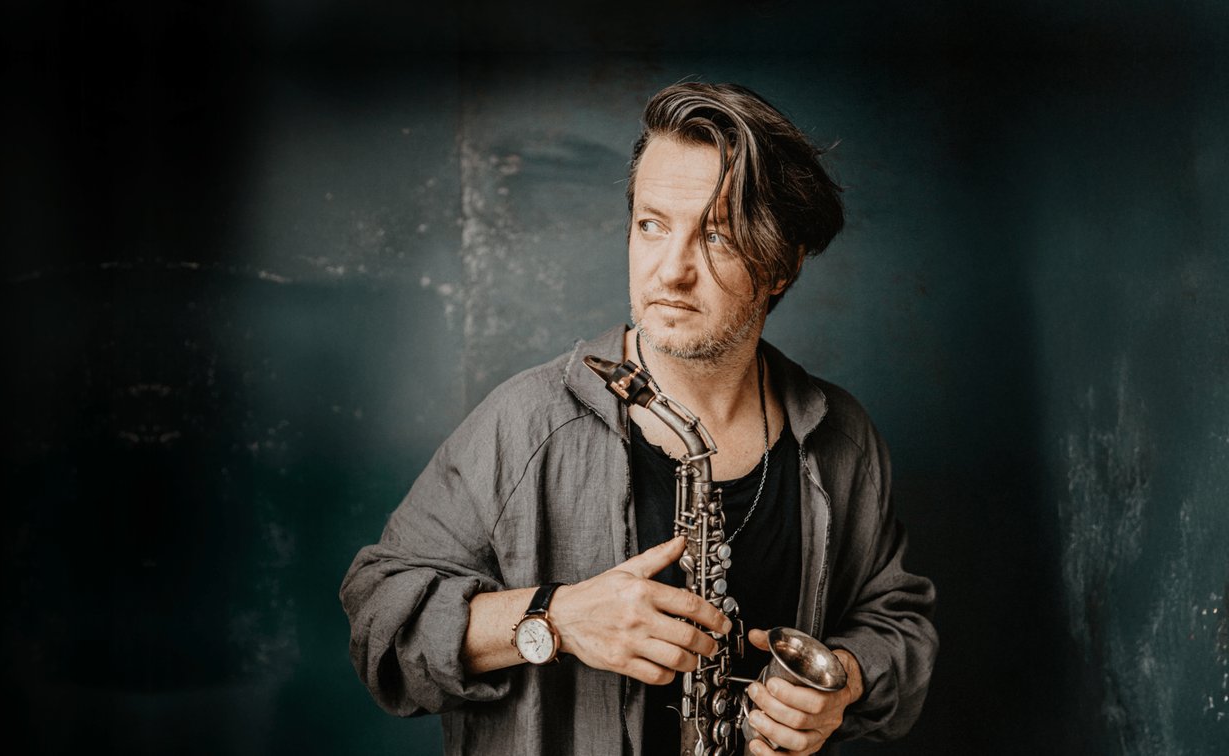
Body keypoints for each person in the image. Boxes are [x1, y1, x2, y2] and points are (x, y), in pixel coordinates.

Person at [340, 82, 937, 756]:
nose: (671, 271)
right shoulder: (524, 423)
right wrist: (555, 619)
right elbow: (379, 624)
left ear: (783, 265)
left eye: (716, 235)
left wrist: (840, 685)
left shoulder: (843, 437)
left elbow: (898, 620)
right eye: (652, 225)